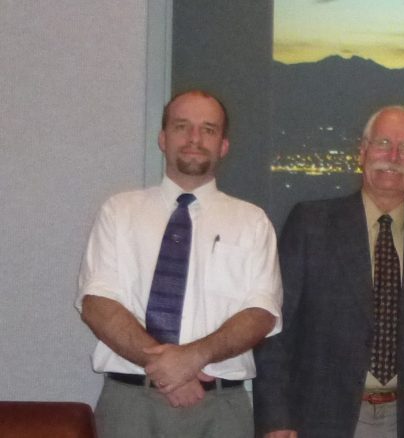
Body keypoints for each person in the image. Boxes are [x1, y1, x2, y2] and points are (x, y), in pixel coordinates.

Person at [253, 106, 404, 438]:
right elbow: (277, 329)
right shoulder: (312, 224)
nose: (394, 156)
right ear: (363, 152)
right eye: (383, 143)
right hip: (319, 419)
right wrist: (275, 419)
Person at [77, 89, 283, 437]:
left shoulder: (252, 222)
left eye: (208, 129)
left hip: (220, 410)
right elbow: (97, 304)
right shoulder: (119, 212)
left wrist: (194, 358)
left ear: (223, 145)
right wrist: (166, 368)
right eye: (181, 126)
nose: (194, 139)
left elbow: (261, 312)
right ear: (163, 138)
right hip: (131, 405)